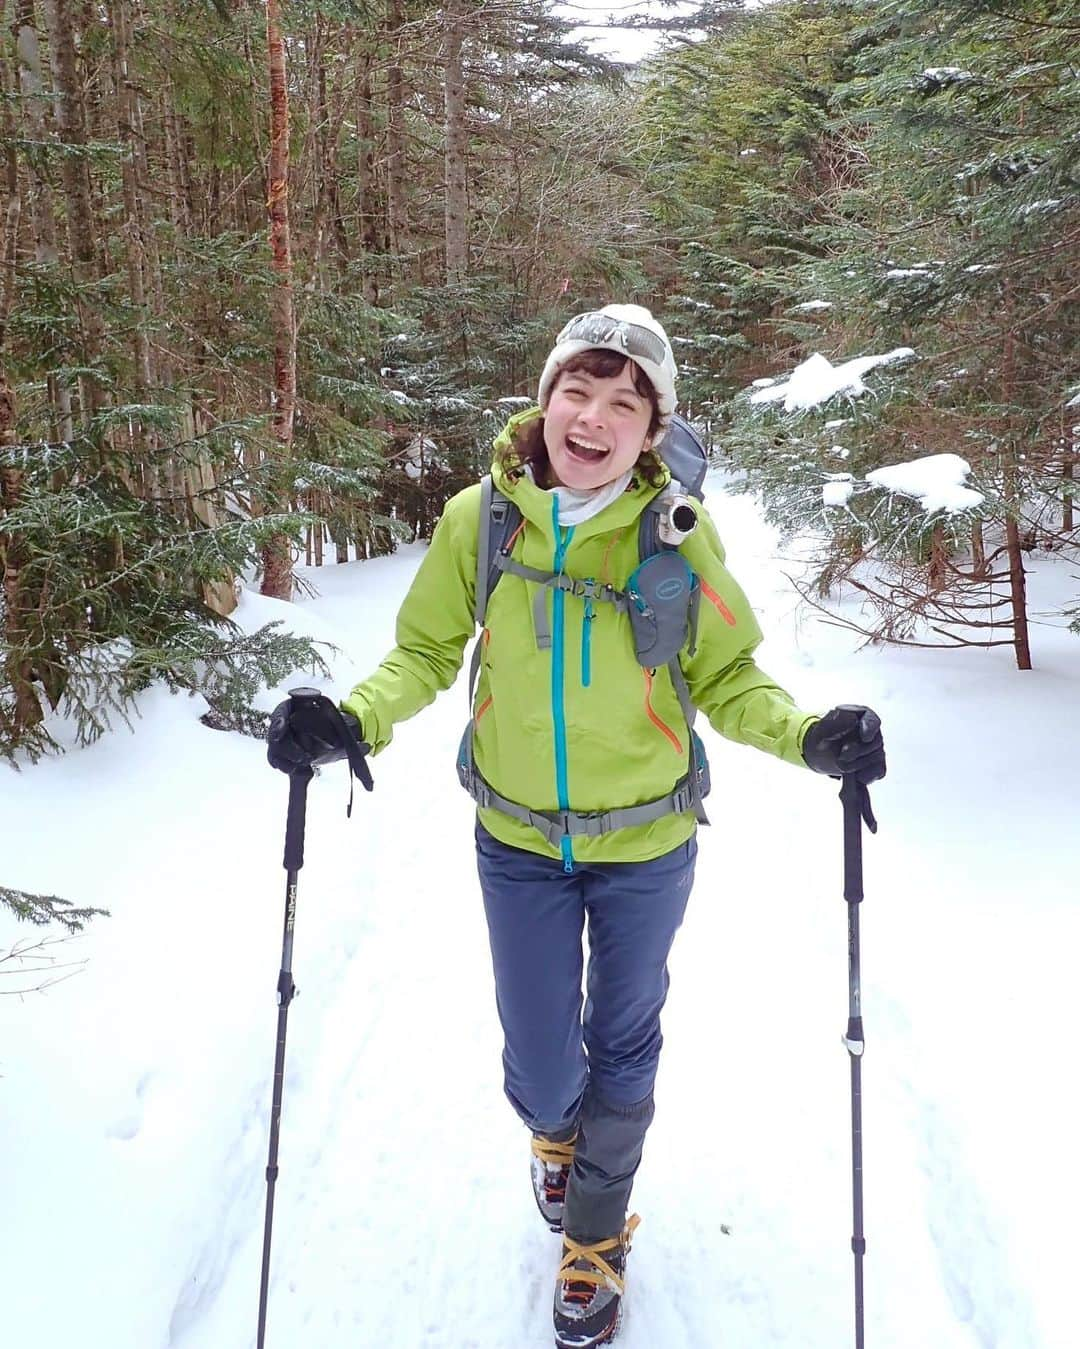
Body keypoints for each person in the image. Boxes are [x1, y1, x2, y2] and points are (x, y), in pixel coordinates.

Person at [267, 304, 886, 1349]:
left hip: (647, 843)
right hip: (517, 842)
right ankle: (556, 1136)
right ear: (544, 398)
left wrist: (812, 734)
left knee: (625, 1043)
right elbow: (421, 652)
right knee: (545, 1065)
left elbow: (727, 678)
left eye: (622, 400)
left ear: (654, 428)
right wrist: (349, 716)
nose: (592, 417)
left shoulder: (677, 530)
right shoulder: (484, 519)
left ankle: (595, 1233)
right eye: (577, 391)